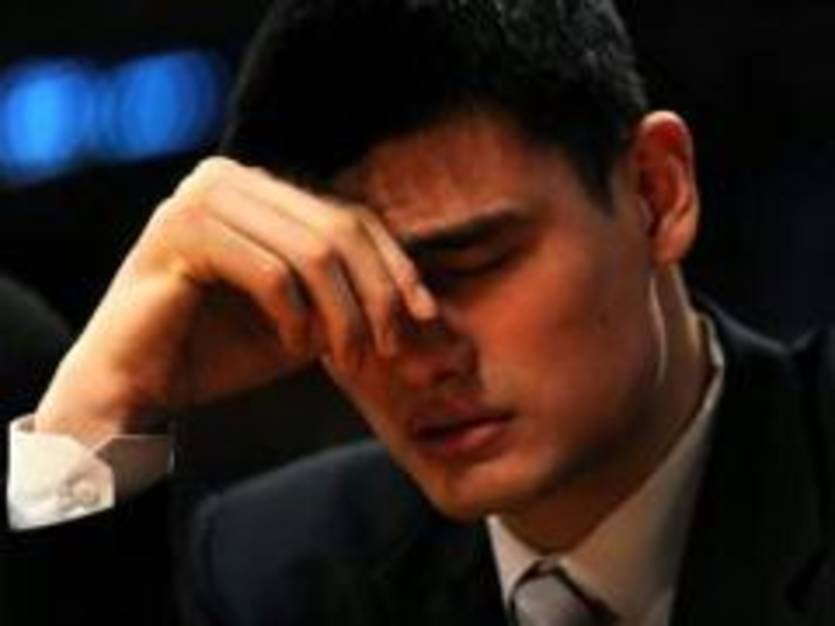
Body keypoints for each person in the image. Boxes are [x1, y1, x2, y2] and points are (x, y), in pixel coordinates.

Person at [5, 0, 835, 625]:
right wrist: (96, 407)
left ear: (656, 192)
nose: (412, 347)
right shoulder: (276, 564)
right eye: (341, 285)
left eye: (473, 264)